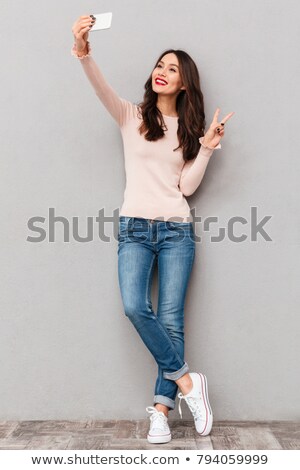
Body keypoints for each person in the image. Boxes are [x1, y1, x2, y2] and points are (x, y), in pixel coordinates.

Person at [71, 14, 234, 444]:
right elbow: (99, 86)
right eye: (159, 65)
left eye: (172, 69)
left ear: (184, 83)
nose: (162, 72)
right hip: (135, 229)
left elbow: (186, 187)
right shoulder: (130, 115)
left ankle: (160, 413)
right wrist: (83, 50)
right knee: (134, 307)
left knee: (172, 320)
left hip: (177, 230)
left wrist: (206, 150)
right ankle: (187, 382)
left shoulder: (189, 129)